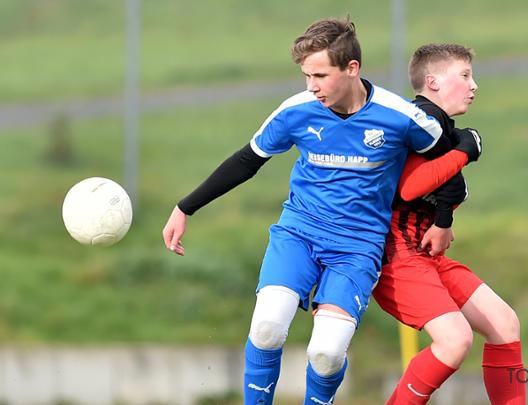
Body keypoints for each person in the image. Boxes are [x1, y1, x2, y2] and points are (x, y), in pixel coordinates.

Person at [162, 20, 481, 405]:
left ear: (352, 68)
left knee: (326, 355)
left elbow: (447, 165)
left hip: (358, 248)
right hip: (299, 233)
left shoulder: (399, 116)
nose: (311, 86)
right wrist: (185, 207)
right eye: (306, 75)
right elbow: (247, 160)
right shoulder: (296, 110)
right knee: (267, 326)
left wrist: (444, 219)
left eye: (320, 75)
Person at [372, 44, 526, 405]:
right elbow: (411, 187)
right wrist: (465, 152)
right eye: (465, 75)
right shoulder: (422, 120)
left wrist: (443, 219)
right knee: (455, 341)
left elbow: (439, 186)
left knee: (504, 324)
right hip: (397, 256)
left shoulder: (441, 128)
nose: (474, 85)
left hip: (426, 254)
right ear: (433, 82)